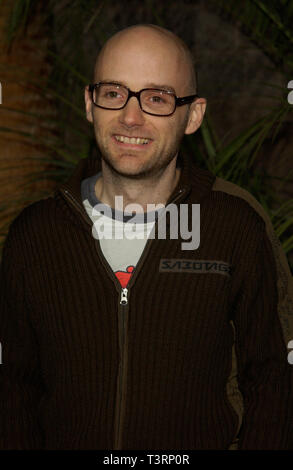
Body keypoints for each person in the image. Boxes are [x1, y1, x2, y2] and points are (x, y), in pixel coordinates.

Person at [0, 23, 293, 451]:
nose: (130, 117)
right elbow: (14, 389)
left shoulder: (235, 226)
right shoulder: (35, 234)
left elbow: (273, 379)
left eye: (157, 98)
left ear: (193, 116)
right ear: (89, 104)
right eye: (114, 93)